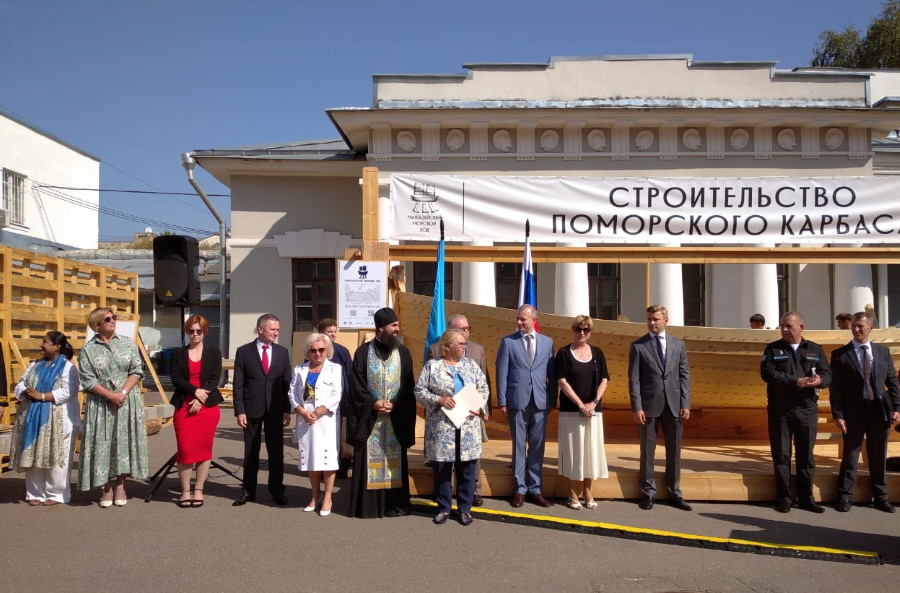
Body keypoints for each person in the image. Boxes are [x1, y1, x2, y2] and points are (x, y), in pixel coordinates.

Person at [348, 307, 416, 518]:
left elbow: (408, 386)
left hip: (395, 418)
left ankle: (395, 507)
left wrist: (395, 404)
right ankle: (369, 508)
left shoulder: (403, 352)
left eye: (397, 325)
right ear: (380, 328)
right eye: (393, 325)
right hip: (371, 418)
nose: (397, 329)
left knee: (395, 459)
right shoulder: (363, 353)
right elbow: (356, 386)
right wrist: (373, 402)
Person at [760, 311, 831, 513]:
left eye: (789, 326)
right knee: (781, 455)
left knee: (806, 455)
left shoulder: (815, 349)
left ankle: (806, 498)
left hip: (806, 408)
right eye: (782, 325)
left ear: (801, 327)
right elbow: (767, 373)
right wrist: (795, 381)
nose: (784, 329)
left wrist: (820, 381)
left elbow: (827, 374)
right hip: (780, 410)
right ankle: (784, 497)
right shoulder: (773, 349)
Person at [416, 328, 489, 526]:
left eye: (465, 344)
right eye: (460, 344)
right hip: (442, 426)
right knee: (442, 469)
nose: (464, 347)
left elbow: (483, 388)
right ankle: (444, 508)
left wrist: (479, 406)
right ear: (447, 346)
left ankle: (465, 509)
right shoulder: (432, 366)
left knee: (467, 469)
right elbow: (419, 391)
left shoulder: (471, 365)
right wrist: (438, 399)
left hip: (468, 426)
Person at [829, 312, 900, 513]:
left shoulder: (883, 352)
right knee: (851, 455)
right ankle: (845, 496)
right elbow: (836, 389)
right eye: (854, 326)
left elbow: (892, 382)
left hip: (879, 411)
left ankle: (881, 497)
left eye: (860, 326)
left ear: (871, 328)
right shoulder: (840, 354)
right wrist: (838, 414)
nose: (856, 329)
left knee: (878, 455)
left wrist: (897, 408)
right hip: (854, 412)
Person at [78, 308, 149, 506]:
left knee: (122, 443)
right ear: (97, 325)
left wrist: (122, 393)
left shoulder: (127, 343)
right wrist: (110, 395)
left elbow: (137, 370)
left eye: (114, 318)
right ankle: (106, 487)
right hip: (101, 403)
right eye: (107, 319)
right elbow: (88, 380)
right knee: (103, 444)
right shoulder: (88, 350)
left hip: (127, 400)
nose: (112, 321)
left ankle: (120, 486)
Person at [628, 305, 692, 511]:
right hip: (648, 406)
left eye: (655, 319)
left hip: (674, 405)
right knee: (647, 451)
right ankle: (648, 493)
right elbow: (634, 380)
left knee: (674, 450)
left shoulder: (678, 345)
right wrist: (637, 407)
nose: (652, 323)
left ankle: (674, 492)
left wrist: (685, 403)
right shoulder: (638, 346)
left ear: (666, 320)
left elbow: (684, 376)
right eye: (649, 319)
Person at [9, 332, 80, 505]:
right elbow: (21, 383)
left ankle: (56, 494)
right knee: (34, 453)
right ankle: (35, 493)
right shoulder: (35, 364)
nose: (41, 345)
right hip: (32, 418)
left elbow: (69, 391)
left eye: (45, 342)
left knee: (58, 455)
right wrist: (25, 392)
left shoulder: (67, 367)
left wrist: (42, 396)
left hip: (60, 419)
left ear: (57, 346)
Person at [496, 304, 555, 508]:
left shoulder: (547, 342)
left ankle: (535, 489)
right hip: (517, 400)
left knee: (538, 446)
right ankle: (520, 489)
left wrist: (552, 399)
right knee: (519, 446)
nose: (519, 322)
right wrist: (502, 400)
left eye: (523, 319)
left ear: (534, 320)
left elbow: (552, 373)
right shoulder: (508, 342)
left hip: (540, 400)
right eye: (518, 319)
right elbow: (501, 373)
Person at [232, 313, 292, 506]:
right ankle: (248, 491)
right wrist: (240, 410)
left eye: (277, 330)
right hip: (252, 409)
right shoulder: (244, 352)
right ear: (260, 329)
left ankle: (277, 490)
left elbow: (287, 383)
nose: (276, 333)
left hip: (275, 409)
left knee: (276, 452)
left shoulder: (282, 352)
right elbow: (238, 384)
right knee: (251, 452)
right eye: (272, 329)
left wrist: (287, 409)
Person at [556, 315, 609, 510]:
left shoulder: (598, 353)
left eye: (585, 329)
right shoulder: (563, 353)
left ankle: (587, 491)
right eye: (578, 329)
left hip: (593, 411)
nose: (581, 333)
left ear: (590, 332)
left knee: (590, 452)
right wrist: (580, 405)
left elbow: (604, 380)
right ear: (572, 330)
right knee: (572, 453)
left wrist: (593, 403)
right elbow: (562, 382)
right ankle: (572, 494)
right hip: (571, 411)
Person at [169, 314, 223, 508]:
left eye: (199, 331)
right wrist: (195, 391)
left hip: (207, 408)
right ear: (186, 332)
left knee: (203, 449)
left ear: (205, 332)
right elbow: (176, 379)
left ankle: (198, 489)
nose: (195, 334)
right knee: (185, 450)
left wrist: (201, 397)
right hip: (184, 406)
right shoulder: (178, 354)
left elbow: (215, 378)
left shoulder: (214, 353)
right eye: (191, 331)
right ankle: (185, 490)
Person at [288, 333, 342, 517]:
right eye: (313, 350)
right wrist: (303, 412)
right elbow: (292, 394)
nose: (317, 353)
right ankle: (315, 494)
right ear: (308, 352)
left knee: (327, 458)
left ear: (327, 350)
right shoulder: (299, 369)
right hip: (305, 419)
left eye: (321, 350)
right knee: (311, 457)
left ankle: (328, 496)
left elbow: (336, 394)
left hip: (325, 419)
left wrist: (318, 412)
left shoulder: (335, 369)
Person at [317, 318, 353, 478]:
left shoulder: (342, 351)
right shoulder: (314, 350)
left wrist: (350, 398)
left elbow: (350, 375)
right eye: (329, 331)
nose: (332, 334)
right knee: (323, 436)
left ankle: (341, 468)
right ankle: (320, 468)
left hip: (341, 402)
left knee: (340, 436)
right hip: (320, 403)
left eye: (334, 331)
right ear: (321, 332)